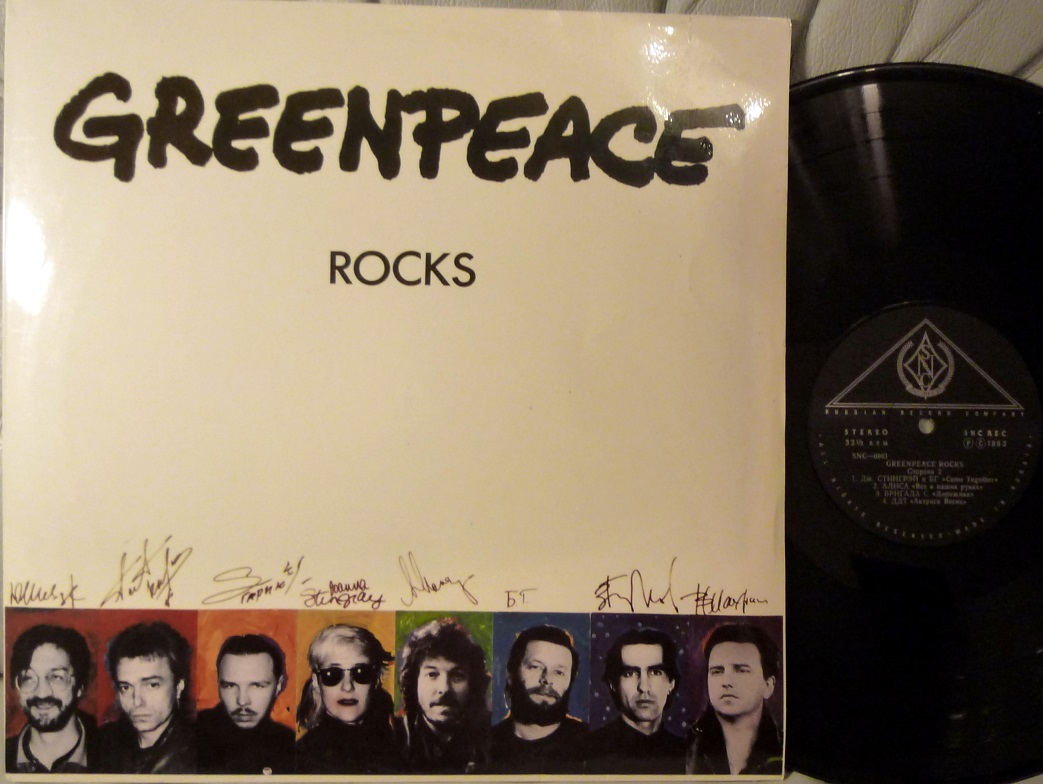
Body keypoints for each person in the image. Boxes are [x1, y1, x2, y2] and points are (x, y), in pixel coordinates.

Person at [94, 621, 196, 774]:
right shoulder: (102, 744)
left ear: (178, 687)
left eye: (152, 685)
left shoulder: (198, 754)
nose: (137, 701)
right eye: (126, 687)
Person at [294, 624, 398, 774]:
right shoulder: (302, 757)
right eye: (332, 674)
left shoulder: (398, 749)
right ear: (316, 682)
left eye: (361, 672)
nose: (347, 687)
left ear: (376, 679)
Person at [394, 618, 491, 773]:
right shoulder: (392, 738)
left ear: (473, 684)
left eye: (457, 676)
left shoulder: (491, 739)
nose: (444, 689)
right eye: (432, 674)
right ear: (413, 681)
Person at [686, 622, 783, 775]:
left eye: (741, 670)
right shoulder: (683, 747)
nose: (726, 682)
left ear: (768, 685)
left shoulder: (784, 747)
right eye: (717, 671)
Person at [585, 626, 685, 774]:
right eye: (630, 673)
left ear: (671, 683)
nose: (644, 687)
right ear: (613, 684)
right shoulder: (591, 751)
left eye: (655, 672)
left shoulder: (687, 754)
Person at [490, 624, 587, 773]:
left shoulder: (590, 744)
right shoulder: (484, 746)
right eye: (535, 667)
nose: (546, 680)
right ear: (510, 675)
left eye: (559, 672)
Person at [196, 633, 295, 774]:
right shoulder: (192, 736)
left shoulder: (288, 744)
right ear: (218, 685)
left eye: (257, 686)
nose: (242, 701)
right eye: (230, 686)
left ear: (278, 685)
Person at [6, 624, 97, 773]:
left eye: (56, 677)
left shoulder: (112, 757)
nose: (42, 693)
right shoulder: (4, 758)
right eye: (28, 678)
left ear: (79, 687)